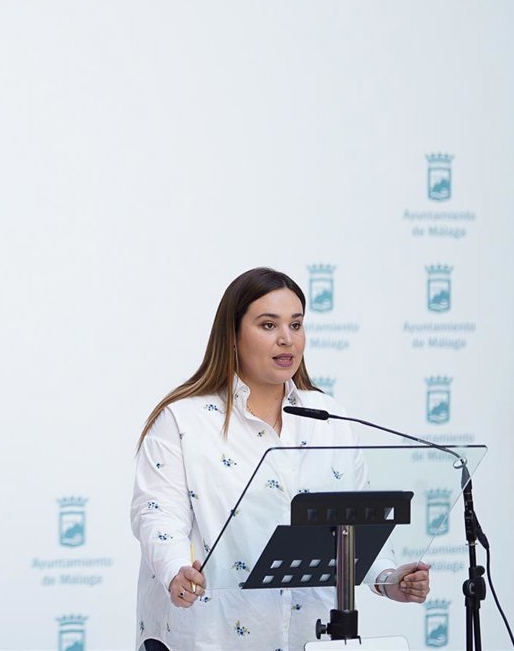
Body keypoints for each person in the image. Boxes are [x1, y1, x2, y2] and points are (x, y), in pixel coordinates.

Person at [130, 268, 430, 651]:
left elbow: (355, 525)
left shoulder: (329, 419)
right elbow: (157, 515)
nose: (287, 338)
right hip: (211, 635)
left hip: (309, 636)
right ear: (233, 336)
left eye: (296, 324)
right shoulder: (182, 421)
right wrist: (176, 570)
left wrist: (390, 578)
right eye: (268, 325)